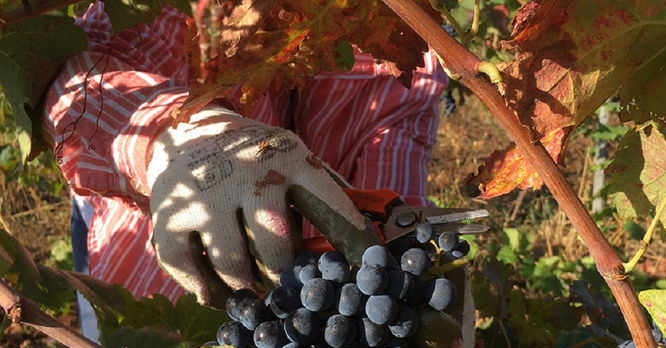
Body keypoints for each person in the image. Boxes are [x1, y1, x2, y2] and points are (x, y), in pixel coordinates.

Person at [45, 2, 447, 305]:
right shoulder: (180, 10)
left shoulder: (406, 39)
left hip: (304, 302)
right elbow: (75, 75)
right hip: (143, 280)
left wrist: (405, 280)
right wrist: (174, 133)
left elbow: (393, 179)